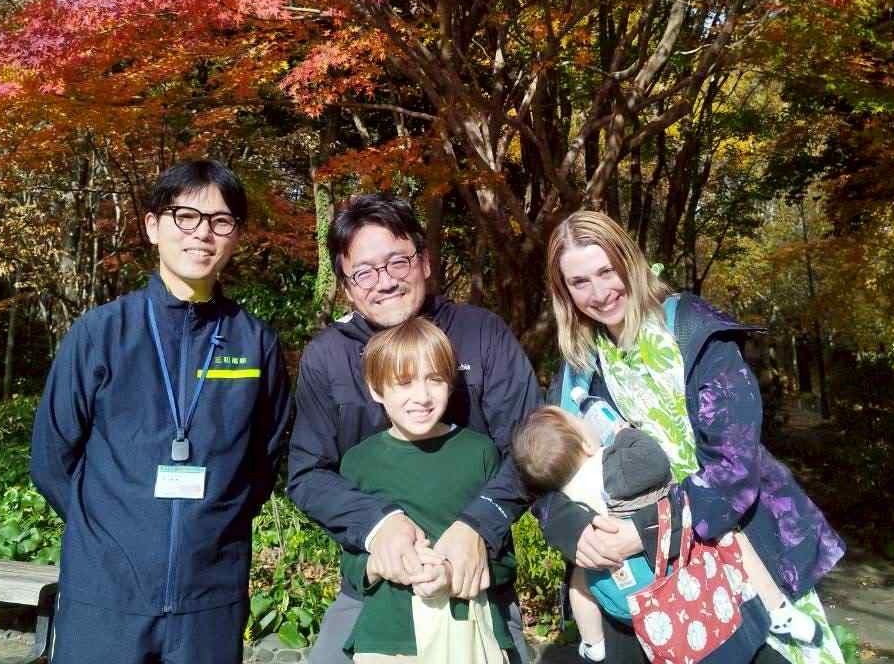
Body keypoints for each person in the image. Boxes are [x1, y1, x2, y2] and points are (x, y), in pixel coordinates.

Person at [537, 210, 846, 664]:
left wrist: (646, 530)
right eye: (579, 282)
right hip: (641, 589)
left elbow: (735, 464)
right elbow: (546, 466)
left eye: (607, 271)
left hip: (738, 553)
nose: (599, 293)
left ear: (630, 261)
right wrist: (572, 529)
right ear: (564, 292)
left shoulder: (692, 329)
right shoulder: (580, 367)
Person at [31, 160, 292, 664]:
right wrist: (112, 533)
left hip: (210, 598)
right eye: (185, 217)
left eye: (220, 221)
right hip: (105, 594)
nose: (202, 233)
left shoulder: (254, 342)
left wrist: (212, 524)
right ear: (153, 227)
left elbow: (264, 457)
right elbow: (51, 458)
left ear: (236, 235)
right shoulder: (101, 333)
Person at [288, 193, 542, 664]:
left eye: (397, 262)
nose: (385, 281)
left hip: (474, 580)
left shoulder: (480, 333)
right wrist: (377, 526)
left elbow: (532, 448)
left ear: (424, 261)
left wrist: (478, 525)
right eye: (364, 272)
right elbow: (308, 474)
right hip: (376, 589)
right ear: (346, 287)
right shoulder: (328, 357)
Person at [514, 407, 817, 663]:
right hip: (660, 572)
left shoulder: (563, 497)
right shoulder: (611, 463)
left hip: (619, 597)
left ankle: (594, 644)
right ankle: (777, 609)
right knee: (729, 535)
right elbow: (653, 462)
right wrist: (625, 433)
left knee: (579, 582)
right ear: (586, 445)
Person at [339, 317, 517, 662]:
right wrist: (378, 565)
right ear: (376, 389)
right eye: (404, 383)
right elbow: (350, 563)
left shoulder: (479, 452)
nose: (421, 397)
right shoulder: (358, 462)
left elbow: (505, 562)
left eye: (434, 380)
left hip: (467, 628)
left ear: (450, 383)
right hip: (389, 637)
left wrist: (452, 574)